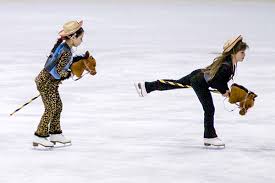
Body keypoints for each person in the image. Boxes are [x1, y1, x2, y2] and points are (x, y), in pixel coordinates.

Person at [134, 35, 249, 147]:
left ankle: (146, 87)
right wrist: (224, 91)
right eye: (242, 52)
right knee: (209, 108)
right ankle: (209, 137)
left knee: (174, 84)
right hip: (199, 81)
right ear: (234, 52)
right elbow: (216, 81)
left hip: (198, 75)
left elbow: (217, 79)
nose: (244, 55)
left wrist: (226, 91)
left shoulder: (230, 64)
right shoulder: (227, 66)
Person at [33, 20, 84, 147]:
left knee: (58, 106)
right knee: (51, 108)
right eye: (81, 38)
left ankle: (55, 133)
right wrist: (69, 74)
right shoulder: (66, 51)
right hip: (46, 82)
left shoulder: (64, 46)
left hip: (48, 82)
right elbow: (57, 71)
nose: (81, 41)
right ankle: (40, 135)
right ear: (73, 37)